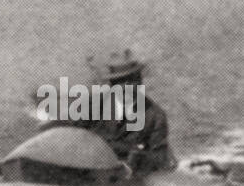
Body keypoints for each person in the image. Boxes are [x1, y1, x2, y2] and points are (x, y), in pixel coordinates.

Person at [46, 50, 175, 175]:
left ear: (140, 81)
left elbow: (160, 158)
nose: (128, 87)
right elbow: (62, 128)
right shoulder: (93, 105)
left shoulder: (155, 116)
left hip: (124, 178)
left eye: (133, 80)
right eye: (120, 82)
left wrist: (135, 162)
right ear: (112, 85)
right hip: (82, 168)